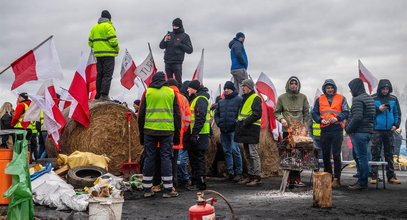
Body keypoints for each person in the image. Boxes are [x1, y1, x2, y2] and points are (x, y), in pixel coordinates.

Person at [138, 72, 181, 198]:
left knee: (149, 158)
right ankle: (168, 189)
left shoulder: (148, 92)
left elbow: (141, 115)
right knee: (166, 158)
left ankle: (147, 188)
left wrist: (141, 135)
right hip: (167, 131)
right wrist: (177, 135)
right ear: (165, 80)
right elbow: (177, 115)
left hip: (149, 131)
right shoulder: (171, 93)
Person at [312, 79, 350, 188]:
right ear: (324, 89)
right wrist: (320, 120)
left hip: (337, 129)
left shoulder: (341, 98)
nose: (330, 89)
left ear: (334, 88)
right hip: (325, 130)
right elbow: (314, 113)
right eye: (328, 88)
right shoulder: (319, 99)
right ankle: (328, 177)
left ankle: (337, 179)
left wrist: (337, 118)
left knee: (337, 155)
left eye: (331, 87)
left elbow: (346, 112)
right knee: (325, 155)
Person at [274, 76, 310, 188]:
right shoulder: (282, 98)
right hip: (287, 131)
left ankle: (297, 178)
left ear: (298, 85)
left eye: (295, 83)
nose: (293, 85)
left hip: (300, 133)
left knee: (298, 156)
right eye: (291, 83)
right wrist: (281, 119)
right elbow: (276, 112)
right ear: (288, 85)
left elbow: (307, 114)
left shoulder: (303, 97)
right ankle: (289, 179)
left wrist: (305, 128)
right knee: (288, 155)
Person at [345, 78, 375, 190]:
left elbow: (356, 117)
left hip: (359, 133)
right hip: (367, 132)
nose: (350, 91)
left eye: (351, 89)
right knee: (359, 156)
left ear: (355, 88)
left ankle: (362, 183)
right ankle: (361, 179)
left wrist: (347, 129)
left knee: (362, 158)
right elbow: (372, 115)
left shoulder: (357, 99)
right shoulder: (369, 98)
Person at [370, 79, 401, 184]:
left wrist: (396, 125)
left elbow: (397, 113)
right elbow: (369, 112)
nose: (385, 91)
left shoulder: (393, 98)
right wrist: (379, 109)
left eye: (387, 89)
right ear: (379, 88)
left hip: (389, 130)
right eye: (383, 89)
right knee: (375, 153)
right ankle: (374, 176)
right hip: (376, 130)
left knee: (389, 153)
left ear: (389, 89)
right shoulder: (373, 98)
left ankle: (391, 176)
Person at [234, 79, 263, 186]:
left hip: (251, 129)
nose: (243, 88)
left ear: (250, 87)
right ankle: (250, 175)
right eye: (242, 86)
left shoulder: (255, 98)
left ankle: (257, 177)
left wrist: (245, 122)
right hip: (245, 129)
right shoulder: (244, 98)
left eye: (244, 86)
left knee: (253, 153)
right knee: (247, 154)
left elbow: (257, 114)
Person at [184, 80, 210, 190]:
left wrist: (194, 133)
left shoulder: (200, 99)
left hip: (200, 134)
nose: (187, 90)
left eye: (189, 88)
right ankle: (195, 181)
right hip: (198, 133)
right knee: (194, 159)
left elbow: (201, 118)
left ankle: (200, 183)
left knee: (198, 159)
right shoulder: (197, 99)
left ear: (194, 89)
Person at [215, 81, 243, 181]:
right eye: (225, 89)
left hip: (234, 130)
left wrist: (236, 123)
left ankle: (239, 173)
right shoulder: (221, 102)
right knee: (227, 151)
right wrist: (219, 123)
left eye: (228, 88)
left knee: (235, 150)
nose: (226, 90)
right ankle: (230, 172)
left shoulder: (239, 99)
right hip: (223, 130)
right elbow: (216, 114)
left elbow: (241, 113)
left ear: (232, 89)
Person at [88, 10, 120, 100]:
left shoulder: (94, 28)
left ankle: (98, 94)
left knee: (100, 74)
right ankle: (104, 95)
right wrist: (117, 48)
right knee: (107, 75)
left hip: (98, 55)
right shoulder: (109, 26)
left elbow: (90, 43)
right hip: (109, 54)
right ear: (109, 18)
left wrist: (98, 47)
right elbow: (113, 41)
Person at [159, 18, 193, 84]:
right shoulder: (169, 35)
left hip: (177, 63)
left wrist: (180, 45)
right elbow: (161, 46)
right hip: (167, 62)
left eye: (176, 26)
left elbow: (190, 50)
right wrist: (165, 40)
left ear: (180, 26)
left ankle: (179, 93)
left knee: (178, 82)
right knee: (168, 81)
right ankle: (170, 93)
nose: (174, 27)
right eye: (173, 26)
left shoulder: (185, 36)